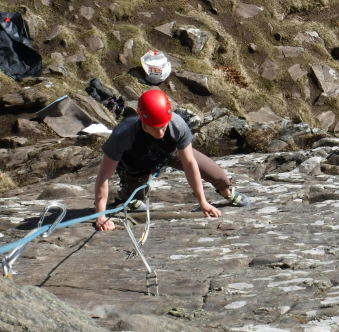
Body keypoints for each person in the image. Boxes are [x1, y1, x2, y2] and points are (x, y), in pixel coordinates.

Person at [94, 90, 249, 231]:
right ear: (143, 122)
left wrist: (203, 202)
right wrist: (101, 215)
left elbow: (189, 163)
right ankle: (127, 194)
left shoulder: (176, 124)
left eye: (163, 126)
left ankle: (226, 191)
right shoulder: (124, 133)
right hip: (137, 164)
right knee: (136, 198)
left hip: (171, 154)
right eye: (155, 128)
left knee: (219, 176)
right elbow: (104, 175)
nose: (161, 131)